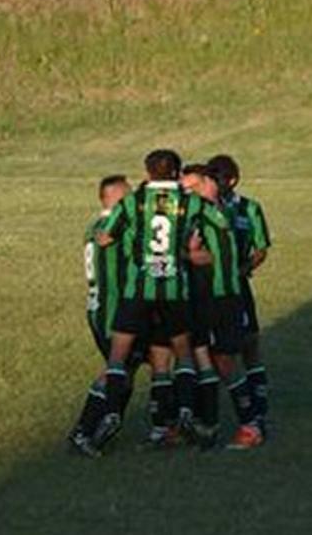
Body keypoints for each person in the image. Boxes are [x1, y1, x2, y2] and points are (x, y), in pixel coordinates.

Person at [89, 149, 231, 453]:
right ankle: (185, 414)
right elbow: (220, 222)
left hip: (137, 292)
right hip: (174, 290)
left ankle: (112, 413)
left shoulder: (133, 202)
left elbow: (105, 236)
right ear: (177, 172)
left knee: (118, 356)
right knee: (183, 355)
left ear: (148, 171)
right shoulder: (191, 202)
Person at [181, 164, 263, 450]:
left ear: (207, 183)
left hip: (220, 298)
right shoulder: (207, 210)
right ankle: (207, 424)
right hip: (201, 297)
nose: (186, 194)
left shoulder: (211, 212)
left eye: (191, 188)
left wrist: (188, 253)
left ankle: (250, 425)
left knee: (225, 361)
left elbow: (207, 257)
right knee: (200, 358)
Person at [68, 175, 136, 457]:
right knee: (117, 369)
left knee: (125, 368)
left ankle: (104, 426)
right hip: (112, 311)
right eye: (129, 195)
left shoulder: (94, 226)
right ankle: (86, 430)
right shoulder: (114, 228)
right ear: (117, 198)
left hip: (98, 308)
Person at [208, 154, 272, 433]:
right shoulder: (205, 207)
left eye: (218, 178)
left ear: (232, 180)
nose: (214, 183)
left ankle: (258, 407)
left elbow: (261, 249)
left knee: (249, 344)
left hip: (237, 287)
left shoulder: (250, 209)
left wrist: (243, 268)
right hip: (207, 287)